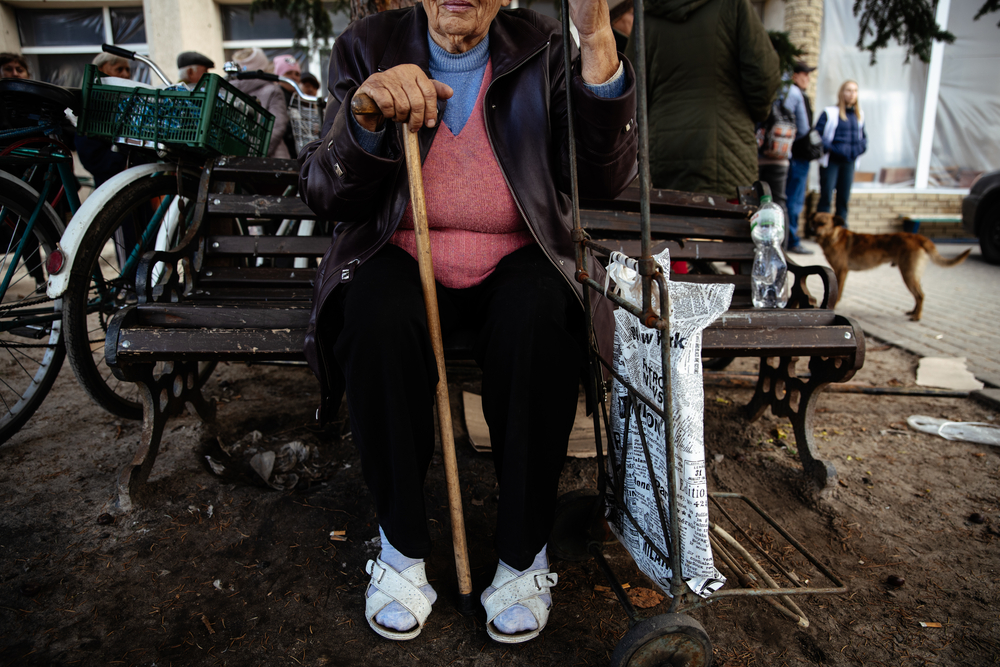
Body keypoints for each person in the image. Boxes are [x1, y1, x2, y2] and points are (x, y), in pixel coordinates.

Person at [299, 0, 637, 645]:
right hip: (396, 250)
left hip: (518, 253)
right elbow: (324, 190)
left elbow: (603, 180)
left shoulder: (542, 45)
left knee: (542, 318)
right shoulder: (368, 45)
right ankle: (402, 545)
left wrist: (595, 42)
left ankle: (522, 551)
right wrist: (365, 117)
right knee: (373, 316)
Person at [626, 0, 778, 197]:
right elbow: (764, 76)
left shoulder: (647, 17)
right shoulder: (733, 6)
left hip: (664, 150)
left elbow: (630, 92)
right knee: (725, 222)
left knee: (670, 221)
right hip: (726, 149)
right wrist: (757, 112)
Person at [815, 80, 867, 226]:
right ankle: (821, 228)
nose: (852, 94)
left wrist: (857, 150)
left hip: (849, 162)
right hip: (831, 161)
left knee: (843, 198)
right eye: (848, 90)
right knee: (826, 196)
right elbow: (816, 135)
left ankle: (841, 230)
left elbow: (863, 138)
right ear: (841, 93)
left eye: (855, 91)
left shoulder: (859, 115)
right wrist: (832, 148)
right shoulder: (830, 112)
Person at [75, 53, 131, 187]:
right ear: (100, 70)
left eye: (128, 70)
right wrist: (122, 162)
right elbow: (90, 152)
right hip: (111, 178)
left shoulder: (122, 100)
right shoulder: (93, 103)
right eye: (119, 69)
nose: (126, 75)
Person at [230, 48, 290, 159]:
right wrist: (255, 152)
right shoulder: (273, 90)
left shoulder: (229, 90)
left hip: (233, 155)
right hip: (271, 159)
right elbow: (278, 126)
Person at [783, 61, 817, 254]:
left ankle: (787, 238)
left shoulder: (782, 93)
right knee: (794, 200)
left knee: (785, 197)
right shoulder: (796, 94)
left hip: (784, 153)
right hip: (797, 154)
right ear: (795, 75)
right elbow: (804, 128)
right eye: (805, 74)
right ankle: (792, 240)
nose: (808, 79)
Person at [273, 54, 301, 156]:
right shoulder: (276, 96)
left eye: (297, 74)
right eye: (288, 73)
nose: (294, 77)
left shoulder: (296, 98)